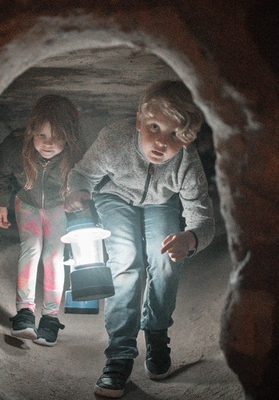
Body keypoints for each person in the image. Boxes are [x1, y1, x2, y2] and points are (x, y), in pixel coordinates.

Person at [64, 80, 215, 398]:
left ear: (186, 138)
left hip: (161, 202)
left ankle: (157, 333)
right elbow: (83, 173)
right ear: (139, 121)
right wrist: (76, 191)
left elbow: (204, 221)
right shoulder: (115, 138)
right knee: (126, 264)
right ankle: (118, 358)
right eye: (155, 128)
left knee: (166, 262)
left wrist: (189, 238)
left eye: (174, 135)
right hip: (115, 198)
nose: (161, 143)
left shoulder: (185, 161)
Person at [0, 94, 82, 347]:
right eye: (41, 136)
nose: (48, 144)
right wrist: (2, 203)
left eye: (56, 138)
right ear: (32, 131)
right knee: (30, 250)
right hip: (27, 203)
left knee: (53, 257)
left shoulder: (75, 156)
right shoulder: (15, 148)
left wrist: (84, 215)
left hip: (57, 208)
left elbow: (87, 182)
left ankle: (50, 318)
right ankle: (25, 313)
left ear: (69, 137)